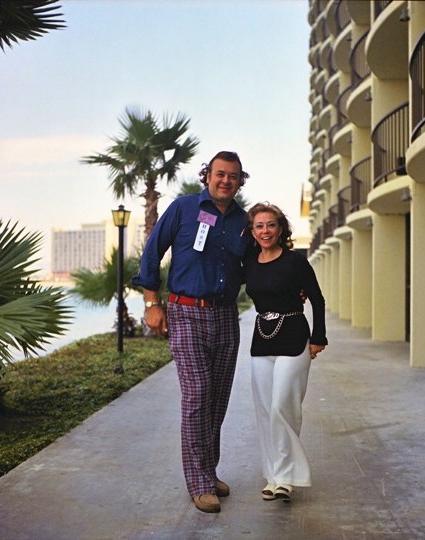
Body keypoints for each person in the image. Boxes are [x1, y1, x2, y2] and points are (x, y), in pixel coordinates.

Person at [132, 151, 250, 514]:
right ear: (207, 176)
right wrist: (152, 304)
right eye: (219, 174)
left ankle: (208, 471)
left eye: (233, 176)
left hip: (226, 315)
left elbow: (258, 264)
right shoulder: (183, 208)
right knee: (197, 394)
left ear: (239, 180)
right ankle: (198, 482)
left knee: (217, 398)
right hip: (185, 312)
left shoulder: (244, 221)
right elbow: (152, 252)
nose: (225, 181)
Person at [244, 202, 328, 503]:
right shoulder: (249, 261)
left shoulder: (295, 261)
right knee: (265, 410)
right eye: (259, 226)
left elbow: (316, 299)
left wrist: (319, 337)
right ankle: (273, 477)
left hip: (294, 339)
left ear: (281, 229)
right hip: (261, 341)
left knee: (283, 406)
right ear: (252, 231)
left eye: (271, 225)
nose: (265, 231)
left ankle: (288, 476)